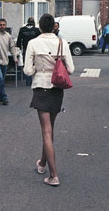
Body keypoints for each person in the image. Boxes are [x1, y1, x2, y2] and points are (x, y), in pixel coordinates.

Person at [23, 13, 74, 187]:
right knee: (50, 129)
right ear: (54, 27)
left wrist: (40, 66)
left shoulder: (33, 43)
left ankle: (54, 175)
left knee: (46, 131)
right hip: (57, 89)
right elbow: (71, 69)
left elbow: (28, 71)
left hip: (41, 87)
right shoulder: (62, 43)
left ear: (39, 27)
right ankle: (43, 163)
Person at [17, 18, 42, 86]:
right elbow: (40, 40)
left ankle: (28, 81)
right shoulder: (37, 30)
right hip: (35, 49)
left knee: (27, 64)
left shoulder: (22, 29)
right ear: (33, 22)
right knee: (36, 64)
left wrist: (18, 48)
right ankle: (35, 79)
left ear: (27, 22)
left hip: (26, 49)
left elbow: (19, 40)